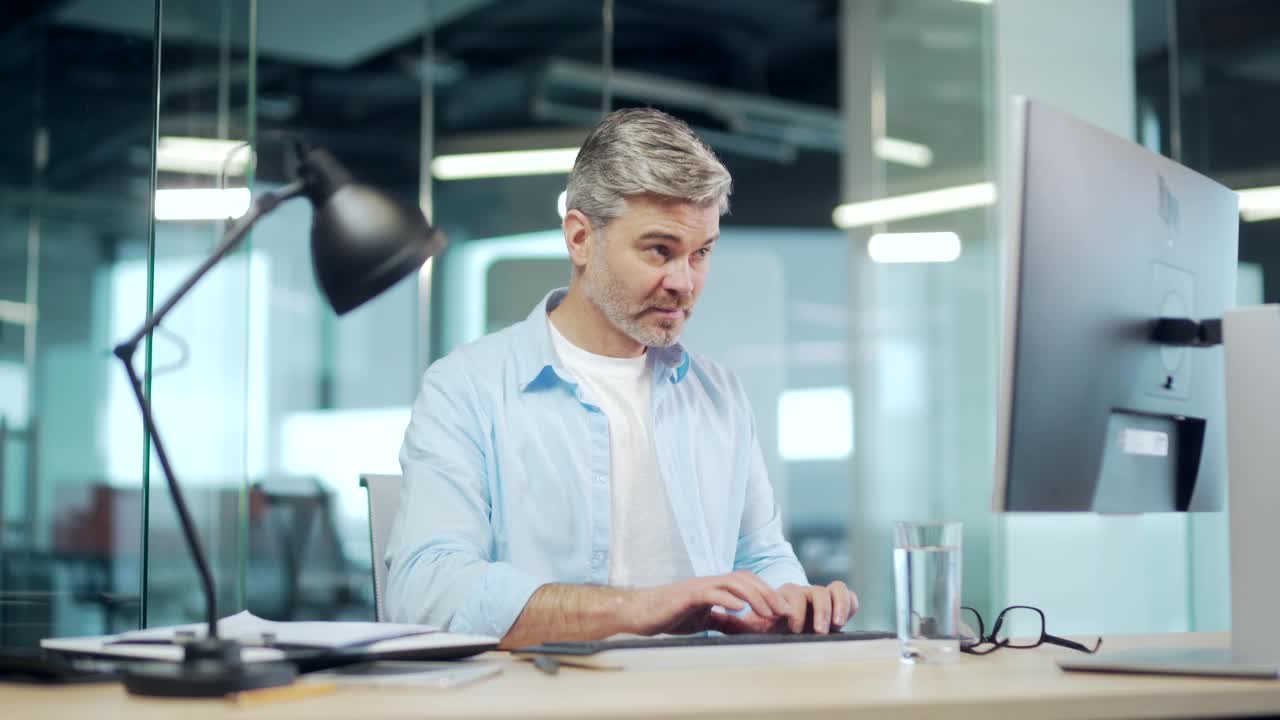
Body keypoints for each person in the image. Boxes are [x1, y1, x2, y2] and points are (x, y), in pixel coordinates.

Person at [386, 107, 857, 647]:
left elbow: (761, 556)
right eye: (659, 250)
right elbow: (426, 591)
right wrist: (645, 607)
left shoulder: (719, 394)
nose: (684, 282)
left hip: (701, 698)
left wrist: (791, 601)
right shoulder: (467, 388)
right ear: (580, 238)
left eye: (701, 253)